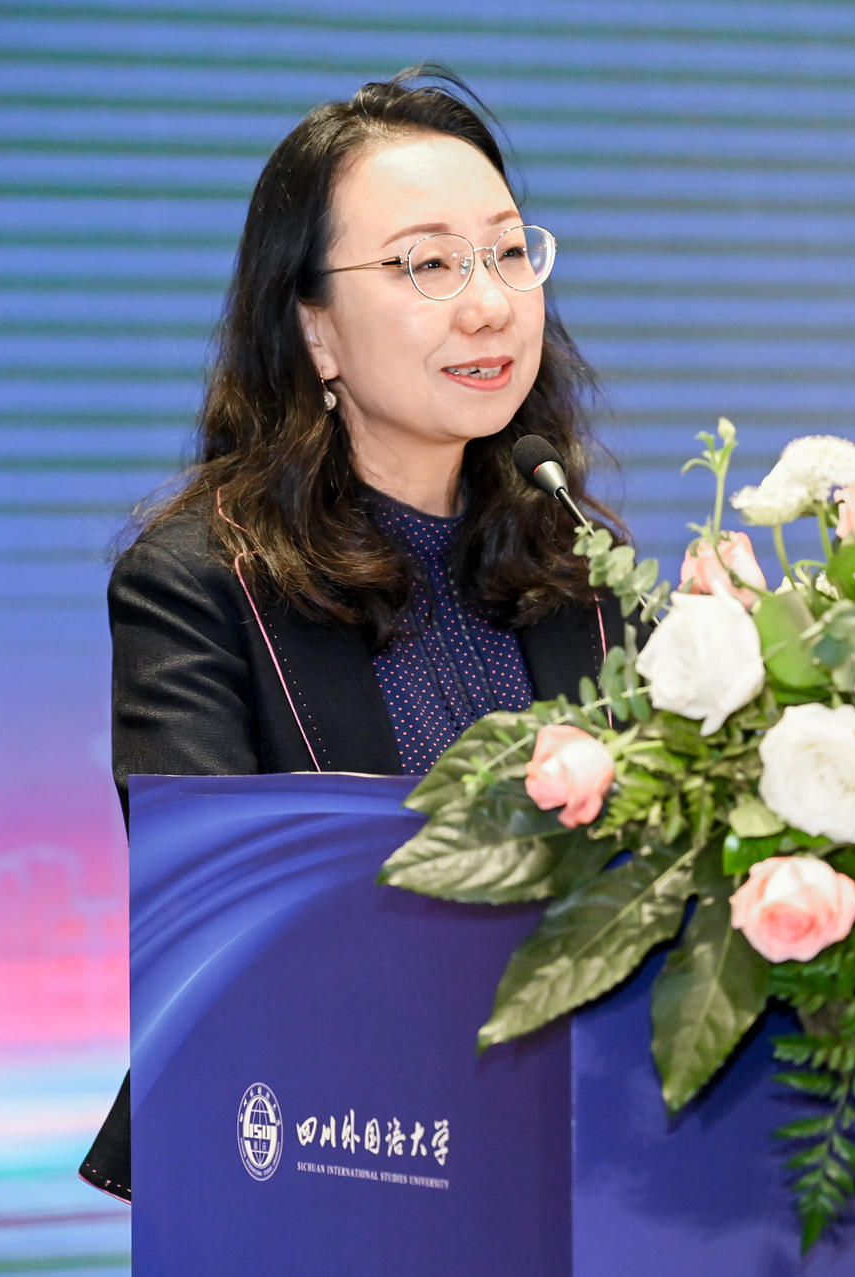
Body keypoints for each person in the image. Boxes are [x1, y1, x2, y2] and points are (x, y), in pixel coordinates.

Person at [76, 66, 632, 1203]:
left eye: (508, 252)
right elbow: (224, 925)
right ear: (315, 328)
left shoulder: (582, 565)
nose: (489, 304)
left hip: (577, 1160)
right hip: (315, 1160)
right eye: (427, 264)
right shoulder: (200, 584)